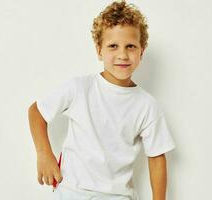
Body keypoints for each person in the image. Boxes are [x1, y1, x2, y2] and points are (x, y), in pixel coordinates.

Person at [28, 0, 176, 199]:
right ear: (99, 50)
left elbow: (157, 157)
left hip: (118, 196)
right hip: (72, 191)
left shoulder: (146, 105)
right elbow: (36, 111)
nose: (122, 55)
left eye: (130, 46)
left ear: (142, 50)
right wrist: (44, 153)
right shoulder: (80, 88)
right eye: (113, 46)